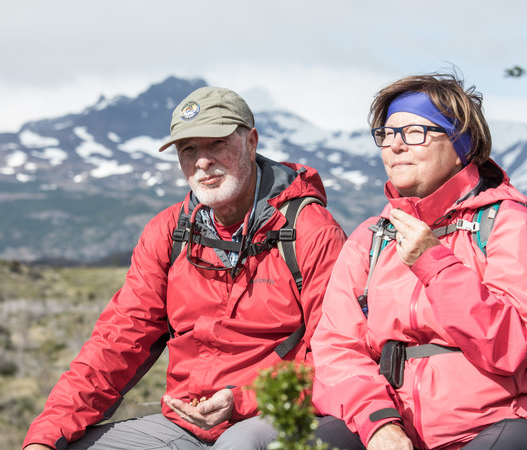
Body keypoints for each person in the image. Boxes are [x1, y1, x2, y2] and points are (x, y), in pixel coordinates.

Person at [23, 86, 352, 449]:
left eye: (217, 144)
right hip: (189, 424)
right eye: (189, 149)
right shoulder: (169, 232)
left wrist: (242, 400)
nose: (202, 161)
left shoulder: (309, 230)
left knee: (242, 446)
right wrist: (44, 436)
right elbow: (116, 343)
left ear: (251, 142)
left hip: (279, 414)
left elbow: (338, 355)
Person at [310, 72, 527, 450]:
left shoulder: (507, 222)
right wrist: (379, 425)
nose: (396, 146)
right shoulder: (370, 239)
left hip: (506, 421)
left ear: (460, 146)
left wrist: (433, 262)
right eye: (387, 134)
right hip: (396, 428)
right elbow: (338, 350)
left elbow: (513, 344)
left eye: (415, 132)